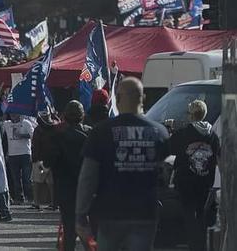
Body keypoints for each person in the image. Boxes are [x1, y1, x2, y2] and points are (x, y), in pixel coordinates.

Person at [76, 77, 169, 251]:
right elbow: (164, 173)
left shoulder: (100, 132)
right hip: (145, 213)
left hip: (111, 212)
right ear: (143, 98)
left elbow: (88, 177)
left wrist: (80, 214)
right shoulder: (160, 133)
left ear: (117, 99)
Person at [170, 100, 220, 251]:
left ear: (191, 115)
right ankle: (203, 245)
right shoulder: (212, 135)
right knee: (202, 216)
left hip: (186, 183)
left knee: (189, 216)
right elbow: (218, 156)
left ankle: (194, 246)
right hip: (205, 182)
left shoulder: (184, 133)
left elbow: (169, 147)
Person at [44, 101, 90, 251]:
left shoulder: (57, 136)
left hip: (65, 188)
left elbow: (48, 161)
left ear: (64, 116)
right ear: (82, 116)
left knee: (69, 227)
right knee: (87, 226)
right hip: (88, 187)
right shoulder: (91, 133)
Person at [2, 113, 34, 205]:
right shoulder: (7, 124)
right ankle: (19, 198)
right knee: (16, 179)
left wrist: (23, 135)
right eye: (11, 114)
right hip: (12, 155)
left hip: (25, 154)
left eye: (14, 114)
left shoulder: (26, 123)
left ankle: (30, 197)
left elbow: (33, 135)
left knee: (26, 178)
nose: (13, 115)